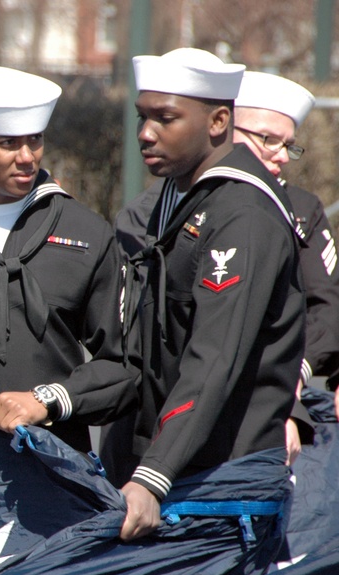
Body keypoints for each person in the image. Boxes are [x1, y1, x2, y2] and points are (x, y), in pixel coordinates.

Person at [116, 48, 304, 542]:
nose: (146, 133)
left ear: (219, 121)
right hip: (183, 476)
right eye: (142, 117)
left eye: (165, 118)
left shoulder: (242, 213)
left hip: (220, 490)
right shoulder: (186, 197)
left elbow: (216, 356)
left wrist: (153, 473)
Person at [0, 65, 136, 455]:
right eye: (8, 143)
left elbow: (124, 366)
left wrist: (49, 399)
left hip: (52, 474)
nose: (27, 157)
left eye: (36, 139)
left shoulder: (87, 233)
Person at [232, 72, 339, 398]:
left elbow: (327, 307)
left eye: (288, 145)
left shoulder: (302, 209)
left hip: (281, 387)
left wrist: (296, 370)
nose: (281, 156)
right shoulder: (168, 206)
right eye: (267, 139)